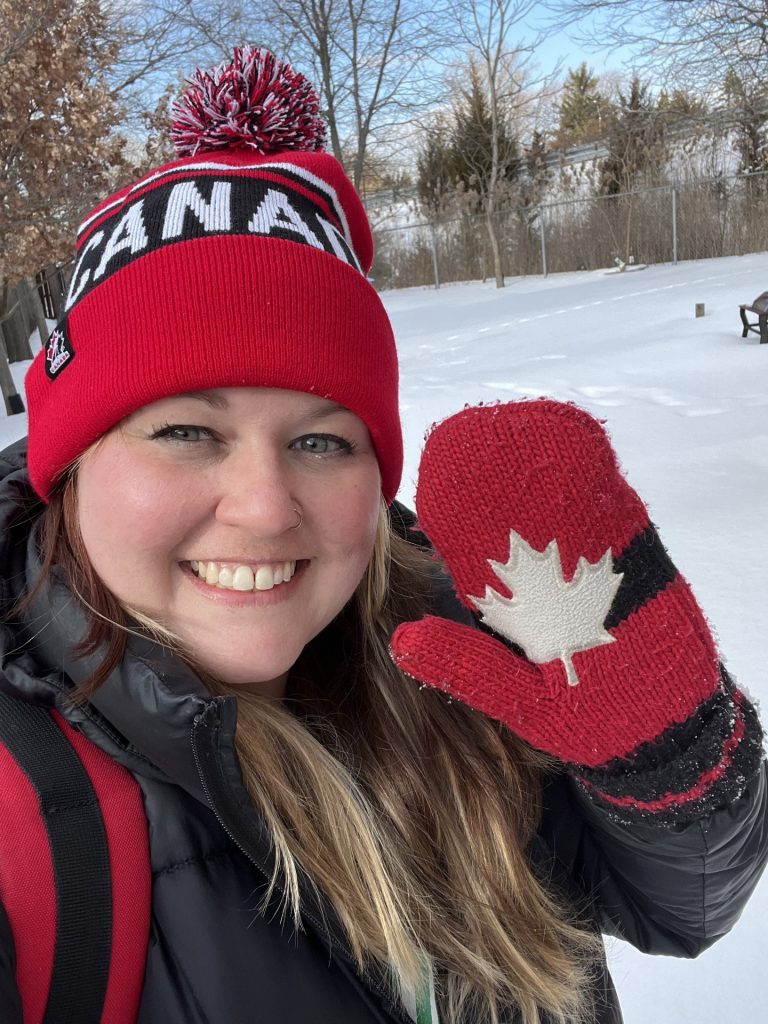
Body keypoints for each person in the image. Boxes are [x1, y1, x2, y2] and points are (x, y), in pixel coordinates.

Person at [0, 46, 766, 1024]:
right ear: (70, 466)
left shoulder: (465, 639)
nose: (267, 505)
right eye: (187, 431)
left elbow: (685, 906)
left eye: (322, 439)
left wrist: (665, 747)